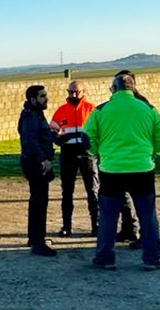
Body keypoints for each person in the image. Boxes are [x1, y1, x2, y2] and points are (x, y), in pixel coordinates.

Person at [85, 74, 160, 271]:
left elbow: (88, 137)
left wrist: (97, 153)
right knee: (147, 215)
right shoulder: (148, 109)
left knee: (108, 216)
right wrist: (152, 152)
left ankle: (105, 257)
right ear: (133, 88)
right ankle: (152, 258)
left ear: (112, 89)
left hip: (112, 169)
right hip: (142, 169)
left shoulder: (101, 110)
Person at [49, 80, 99, 237]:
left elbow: (100, 131)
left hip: (87, 154)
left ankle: (96, 225)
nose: (74, 95)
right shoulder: (62, 110)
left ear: (84, 92)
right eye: (71, 92)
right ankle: (66, 226)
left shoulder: (92, 110)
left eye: (77, 92)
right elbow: (52, 129)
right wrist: (58, 138)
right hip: (68, 153)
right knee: (67, 191)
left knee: (93, 190)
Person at [18, 85, 58, 257]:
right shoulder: (30, 117)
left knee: (38, 201)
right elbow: (31, 141)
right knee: (39, 202)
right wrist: (43, 160)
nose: (45, 99)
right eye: (42, 96)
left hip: (36, 162)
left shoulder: (36, 115)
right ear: (33, 99)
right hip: (35, 164)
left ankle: (35, 238)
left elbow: (43, 136)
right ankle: (38, 242)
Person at [113, 69, 148, 247]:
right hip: (130, 161)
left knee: (141, 202)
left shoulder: (141, 103)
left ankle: (143, 236)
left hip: (135, 162)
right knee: (125, 199)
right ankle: (129, 229)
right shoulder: (141, 103)